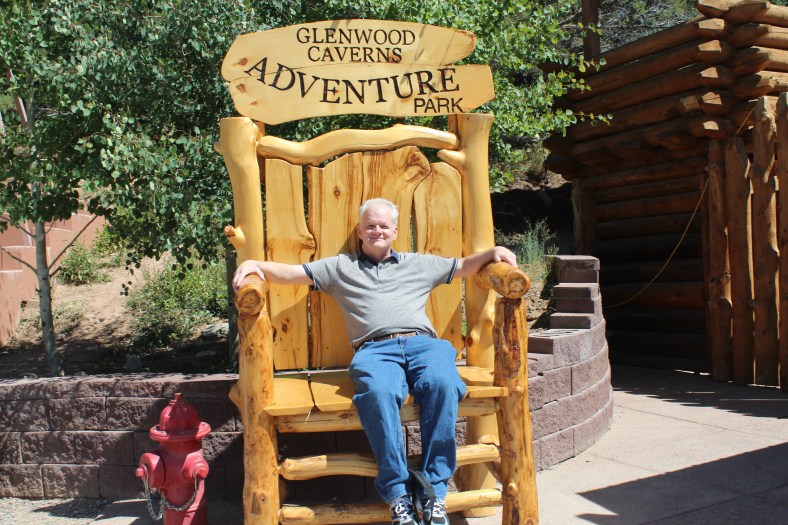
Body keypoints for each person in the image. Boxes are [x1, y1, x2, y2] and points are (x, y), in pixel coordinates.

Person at [233, 198, 517, 525]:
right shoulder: (341, 268)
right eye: (370, 226)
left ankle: (434, 491)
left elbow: (464, 266)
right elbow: (292, 273)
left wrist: (493, 252)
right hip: (375, 350)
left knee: (443, 384)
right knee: (378, 394)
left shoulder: (418, 264)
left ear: (395, 231)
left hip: (423, 344)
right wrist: (253, 263)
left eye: (384, 226)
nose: (377, 231)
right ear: (359, 232)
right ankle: (398, 494)